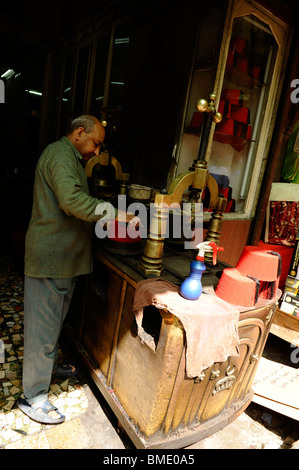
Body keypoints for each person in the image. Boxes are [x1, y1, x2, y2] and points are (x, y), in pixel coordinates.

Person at [17, 115, 137, 424]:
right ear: (79, 132)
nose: (97, 152)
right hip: (51, 259)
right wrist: (117, 214)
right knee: (42, 329)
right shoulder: (59, 154)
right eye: (96, 143)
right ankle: (34, 396)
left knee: (52, 323)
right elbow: (71, 201)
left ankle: (43, 369)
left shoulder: (69, 157)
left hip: (63, 259)